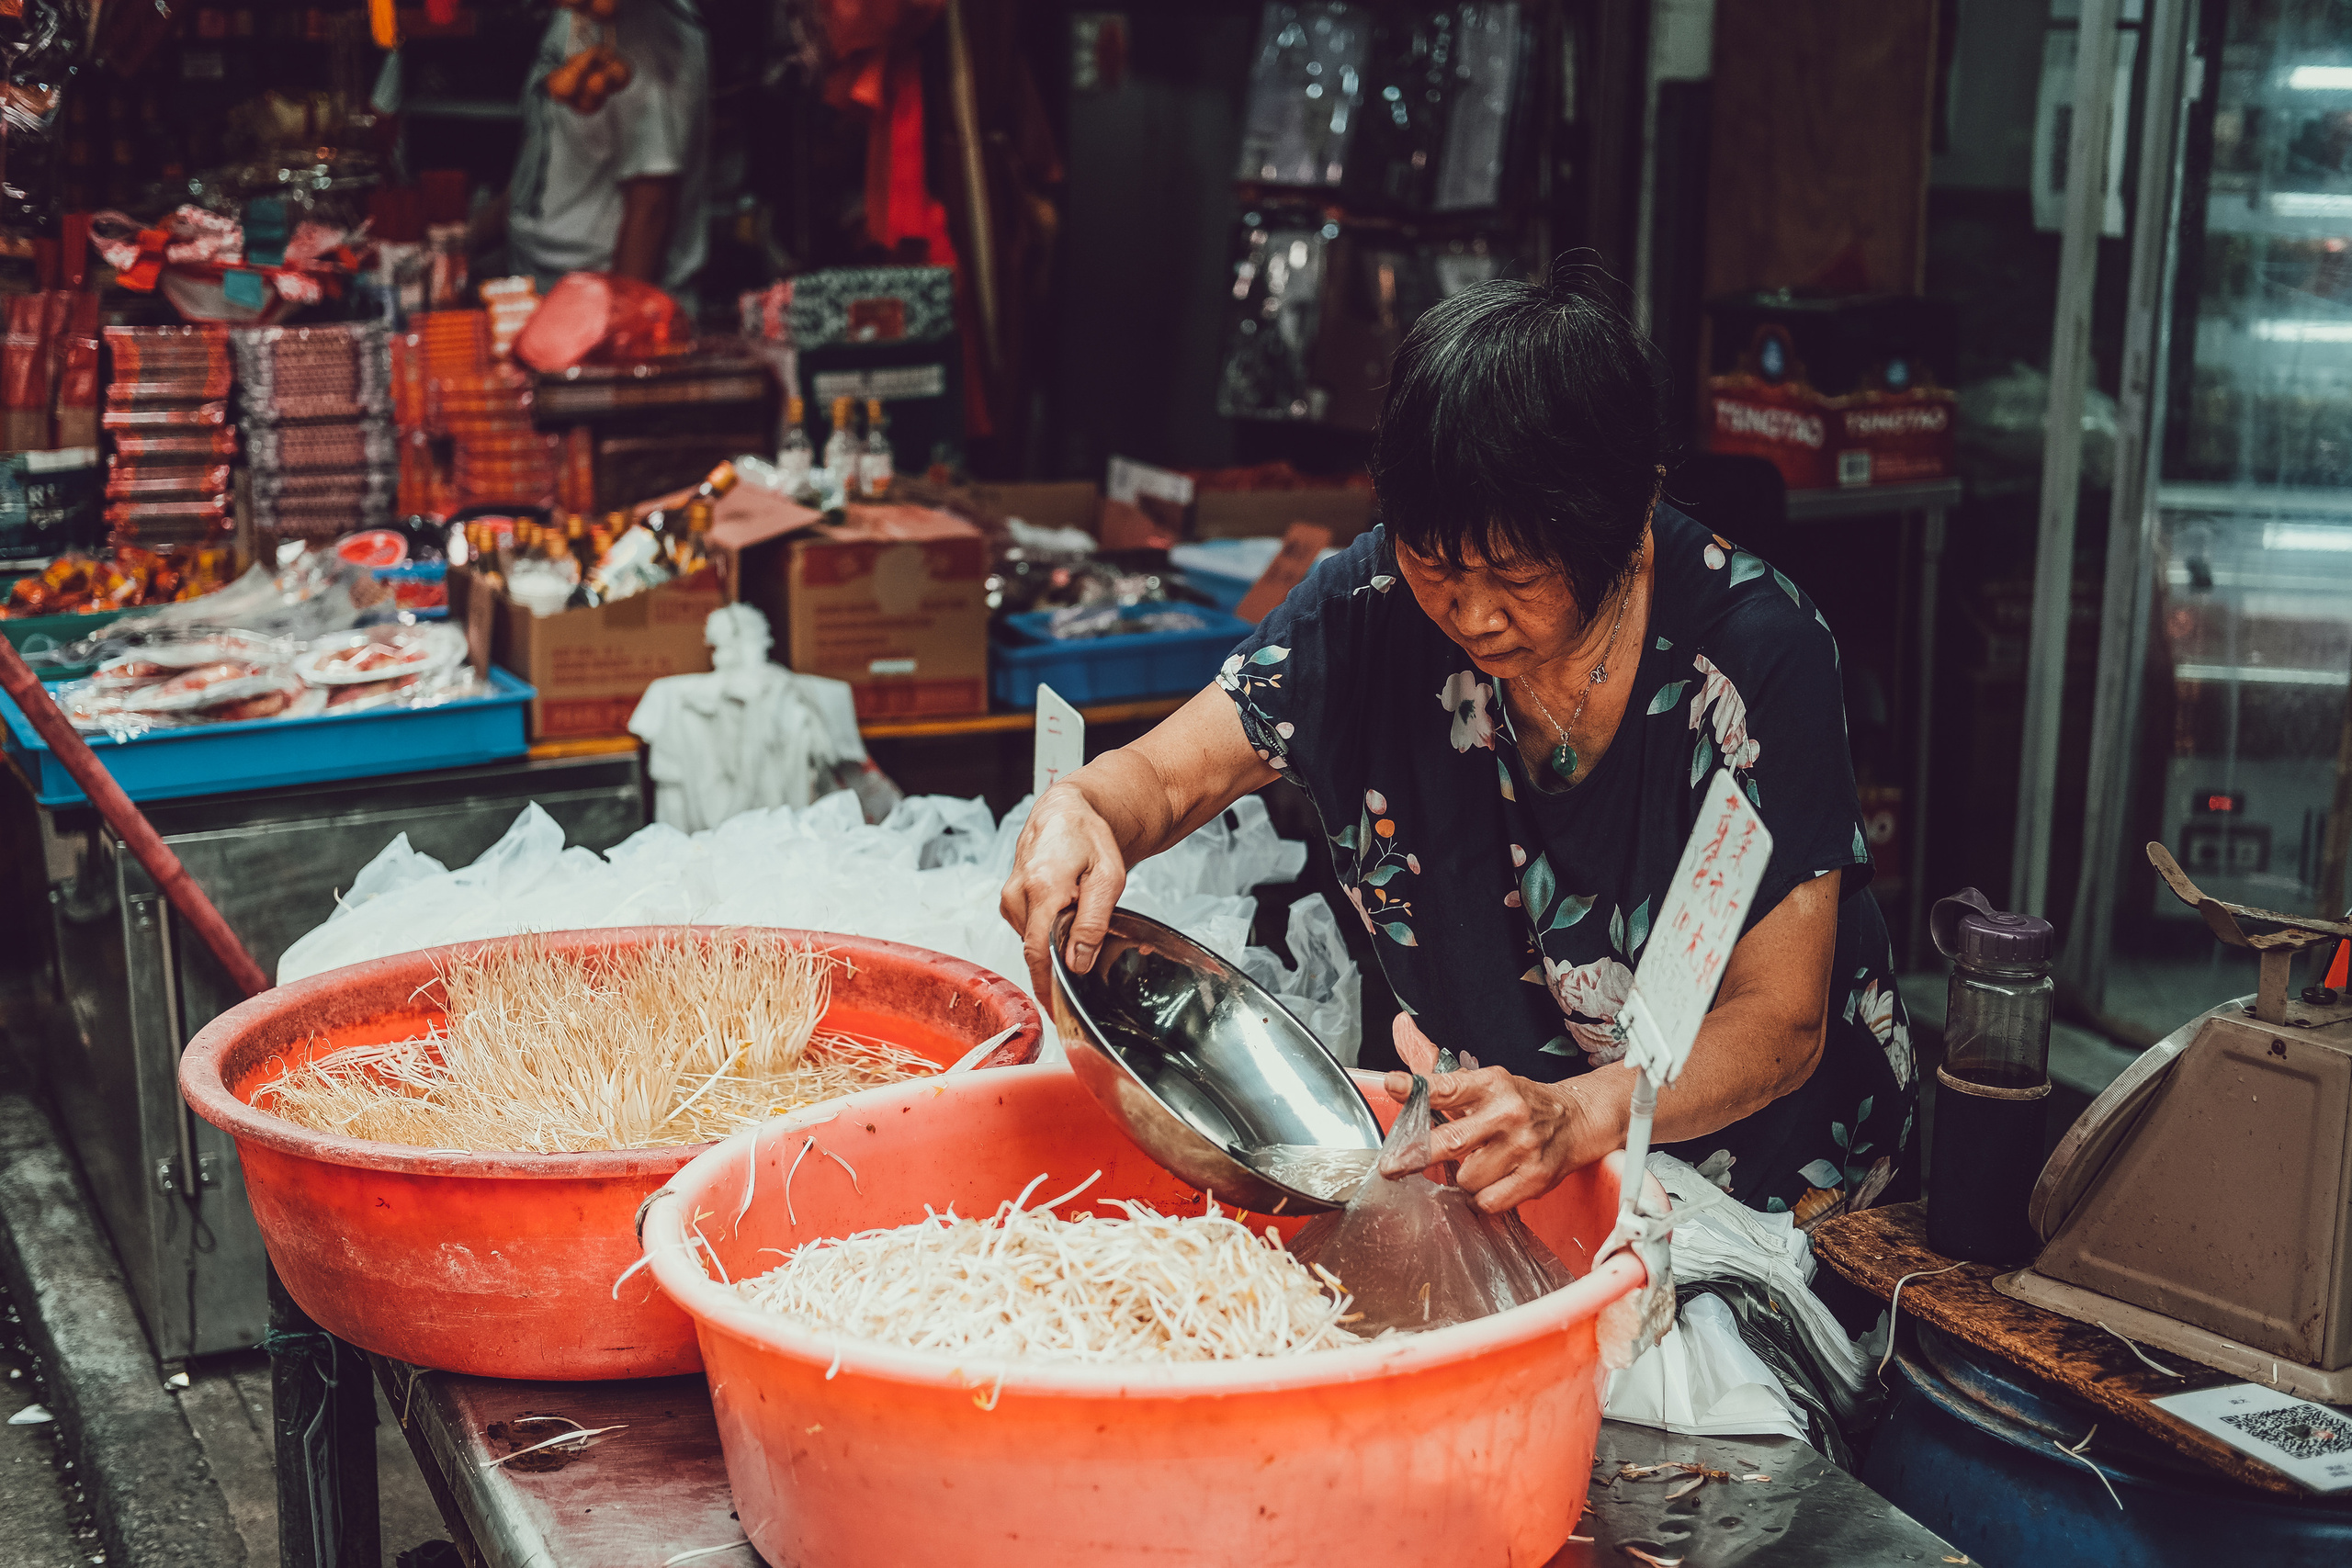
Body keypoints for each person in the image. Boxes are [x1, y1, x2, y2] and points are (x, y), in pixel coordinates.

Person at [1001, 272, 1917, 1218]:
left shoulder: (1758, 656)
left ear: (1625, 518)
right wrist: (1082, 812)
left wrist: (1578, 1114)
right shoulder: (1370, 610)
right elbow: (1160, 775)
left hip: (1766, 1207)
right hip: (1510, 1175)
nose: (1471, 614)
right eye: (1434, 562)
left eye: (1515, 573)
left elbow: (1782, 1019)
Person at [482, 0, 711, 293]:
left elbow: (652, 203)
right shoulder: (573, 16)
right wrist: (464, 237)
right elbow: (549, 152)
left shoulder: (647, 29)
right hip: (537, 276)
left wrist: (619, 316)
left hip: (598, 289)